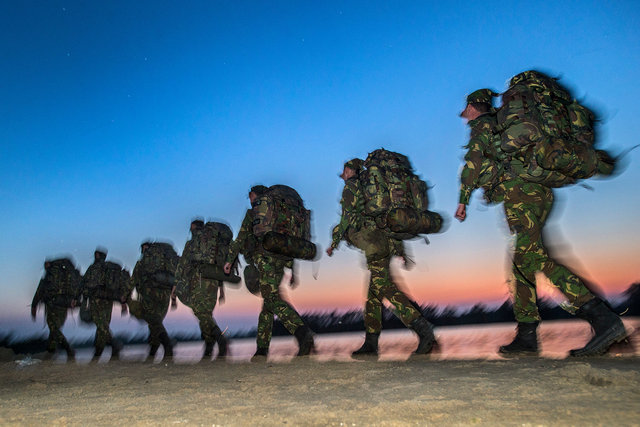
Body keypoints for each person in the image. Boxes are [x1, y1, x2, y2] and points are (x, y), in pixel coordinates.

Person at [455, 89, 627, 357]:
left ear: (473, 108)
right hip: (537, 191)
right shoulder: (503, 125)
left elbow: (473, 162)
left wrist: (463, 199)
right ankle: (527, 335)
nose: (465, 116)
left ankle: (603, 319)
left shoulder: (483, 125)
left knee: (534, 259)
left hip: (521, 194)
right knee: (521, 264)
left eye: (466, 110)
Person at [327, 159, 436, 356]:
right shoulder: (374, 192)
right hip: (385, 243)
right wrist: (400, 250)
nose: (342, 173)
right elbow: (385, 222)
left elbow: (346, 217)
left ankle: (423, 328)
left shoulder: (352, 188)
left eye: (344, 170)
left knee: (385, 287)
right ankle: (371, 343)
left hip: (373, 244)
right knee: (373, 296)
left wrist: (333, 243)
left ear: (350, 170)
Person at [223, 185, 314, 359]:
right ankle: (262, 349)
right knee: (267, 305)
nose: (249, 199)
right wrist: (293, 270)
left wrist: (229, 260)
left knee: (271, 299)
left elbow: (240, 239)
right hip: (281, 258)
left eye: (250, 196)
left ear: (254, 195)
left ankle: (303, 333)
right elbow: (289, 241)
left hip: (265, 259)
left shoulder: (254, 214)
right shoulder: (280, 211)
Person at [174, 220, 228, 360]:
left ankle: (219, 340)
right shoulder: (213, 242)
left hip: (198, 279)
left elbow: (182, 264)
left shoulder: (192, 244)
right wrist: (221, 291)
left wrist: (176, 284)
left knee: (201, 312)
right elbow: (219, 265)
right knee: (205, 313)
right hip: (212, 279)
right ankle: (209, 346)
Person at [127, 241, 178, 361]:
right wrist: (174, 298)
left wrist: (125, 295)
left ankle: (167, 346)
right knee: (155, 322)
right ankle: (152, 351)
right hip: (164, 295)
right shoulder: (164, 263)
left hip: (150, 294)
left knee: (153, 321)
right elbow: (174, 280)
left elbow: (132, 281)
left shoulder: (141, 263)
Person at [31, 258, 80, 361]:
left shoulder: (50, 274)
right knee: (55, 329)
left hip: (52, 304)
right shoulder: (65, 274)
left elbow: (40, 290)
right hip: (64, 303)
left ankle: (68, 349)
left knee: (53, 328)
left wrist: (34, 305)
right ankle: (51, 351)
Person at [81, 248, 125, 362]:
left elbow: (84, 284)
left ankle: (114, 345)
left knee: (101, 326)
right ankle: (98, 354)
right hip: (108, 300)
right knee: (102, 325)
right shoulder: (109, 268)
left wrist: (83, 299)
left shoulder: (93, 268)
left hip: (96, 300)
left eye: (96, 254)